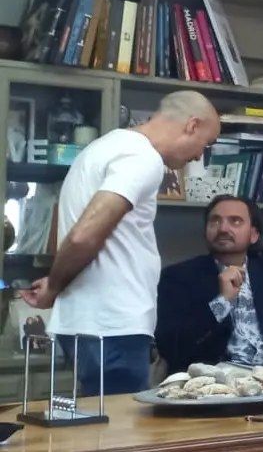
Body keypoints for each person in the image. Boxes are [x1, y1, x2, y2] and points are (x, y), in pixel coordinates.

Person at [21, 91, 219, 395]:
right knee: (119, 424)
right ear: (192, 125)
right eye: (205, 145)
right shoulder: (142, 158)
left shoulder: (106, 146)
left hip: (94, 325)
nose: (197, 157)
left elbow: (88, 234)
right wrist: (55, 286)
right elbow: (84, 234)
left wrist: (57, 280)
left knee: (99, 420)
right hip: (113, 328)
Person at [156, 195, 263, 376]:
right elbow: (171, 346)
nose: (223, 228)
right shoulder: (178, 277)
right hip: (213, 384)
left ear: (254, 234)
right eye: (215, 221)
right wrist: (222, 302)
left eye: (235, 221)